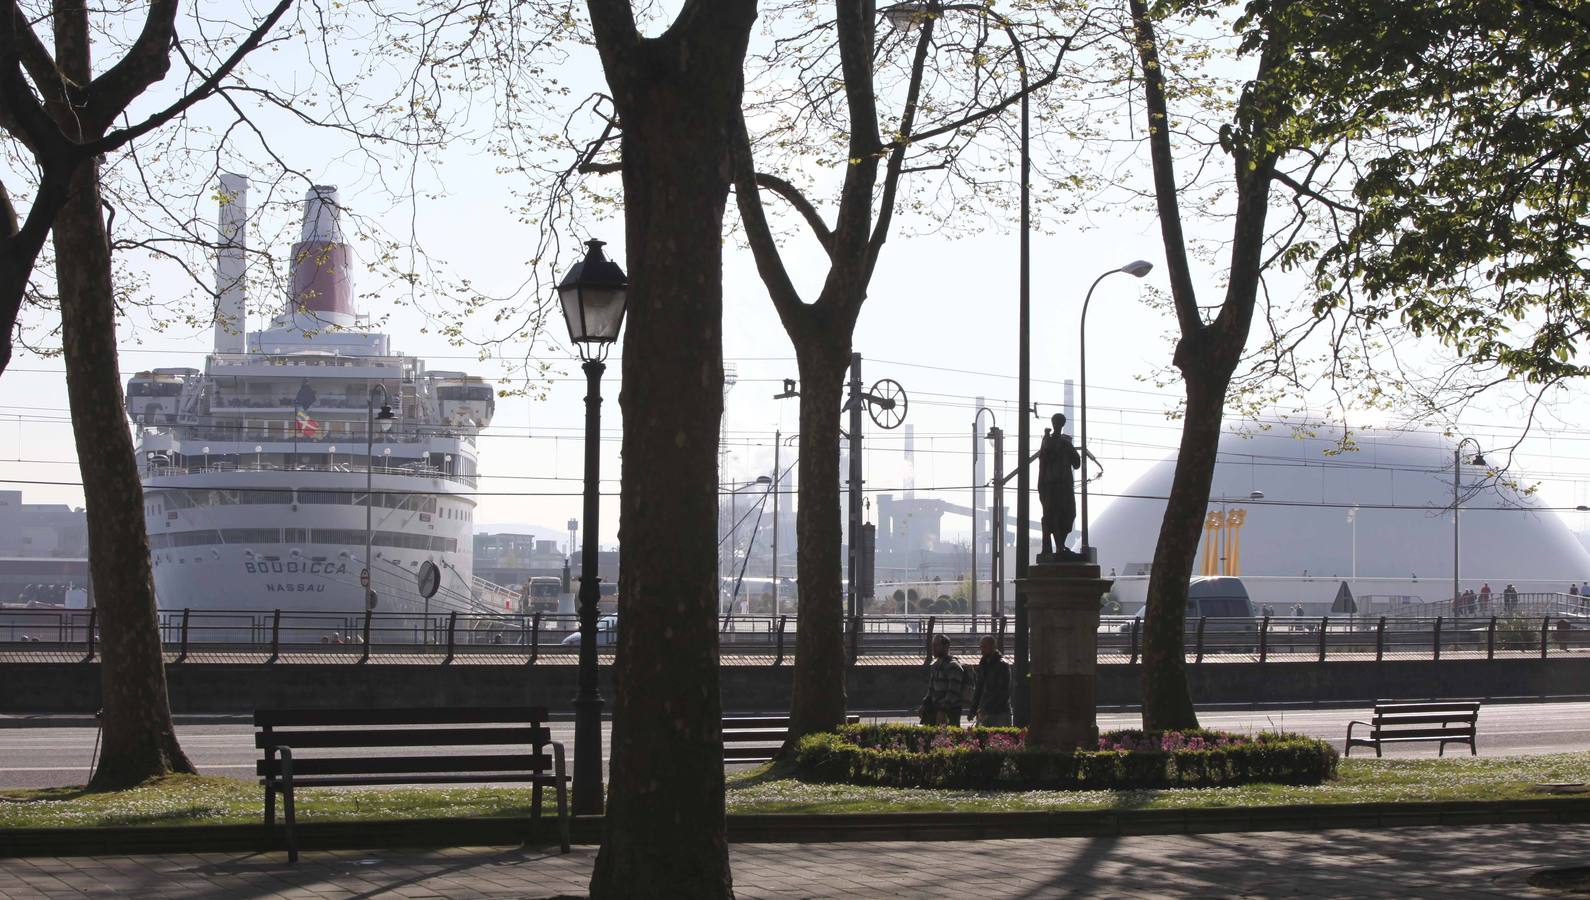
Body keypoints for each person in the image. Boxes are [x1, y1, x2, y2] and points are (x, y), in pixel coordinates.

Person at [1035, 413, 1082, 558]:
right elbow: (1043, 463)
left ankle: (1060, 545)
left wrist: (1070, 450)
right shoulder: (1047, 442)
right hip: (1052, 485)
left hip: (1064, 486)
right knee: (1053, 516)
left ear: (1062, 425)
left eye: (1059, 424)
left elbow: (1077, 463)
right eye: (1056, 423)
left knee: (1068, 515)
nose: (1057, 426)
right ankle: (1056, 548)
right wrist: (1041, 485)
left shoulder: (1065, 444)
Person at [921, 634, 967, 727]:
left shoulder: (953, 666)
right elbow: (931, 689)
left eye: (936, 645)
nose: (933, 648)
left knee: (949, 739)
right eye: (933, 645)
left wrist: (943, 711)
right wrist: (924, 705)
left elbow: (953, 692)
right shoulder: (935, 666)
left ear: (946, 647)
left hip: (950, 711)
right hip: (935, 709)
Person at [968, 636, 1012, 727]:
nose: (982, 650)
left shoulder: (1002, 665)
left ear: (993, 647)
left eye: (984, 647)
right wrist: (973, 709)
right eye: (981, 647)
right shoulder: (983, 664)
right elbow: (979, 688)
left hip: (999, 712)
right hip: (985, 710)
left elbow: (1003, 691)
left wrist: (985, 708)